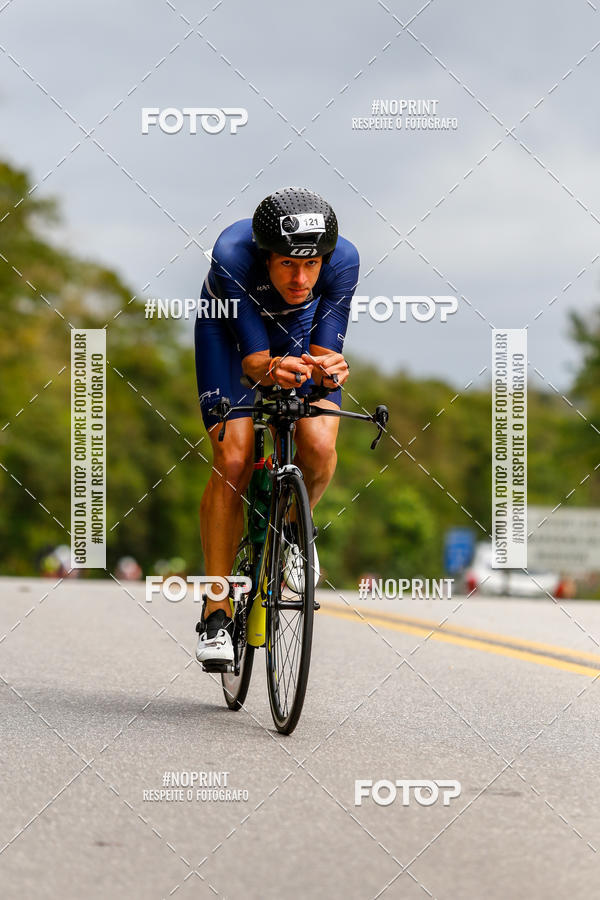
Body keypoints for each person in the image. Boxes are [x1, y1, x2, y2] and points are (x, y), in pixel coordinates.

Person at [194, 186, 359, 665]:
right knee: (234, 456)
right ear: (265, 256)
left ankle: (289, 535)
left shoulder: (344, 260)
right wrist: (271, 370)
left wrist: (330, 369)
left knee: (320, 444)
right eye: (288, 263)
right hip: (227, 336)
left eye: (311, 265)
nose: (301, 277)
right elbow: (253, 362)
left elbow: (326, 348)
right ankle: (217, 609)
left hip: (295, 333)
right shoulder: (231, 255)